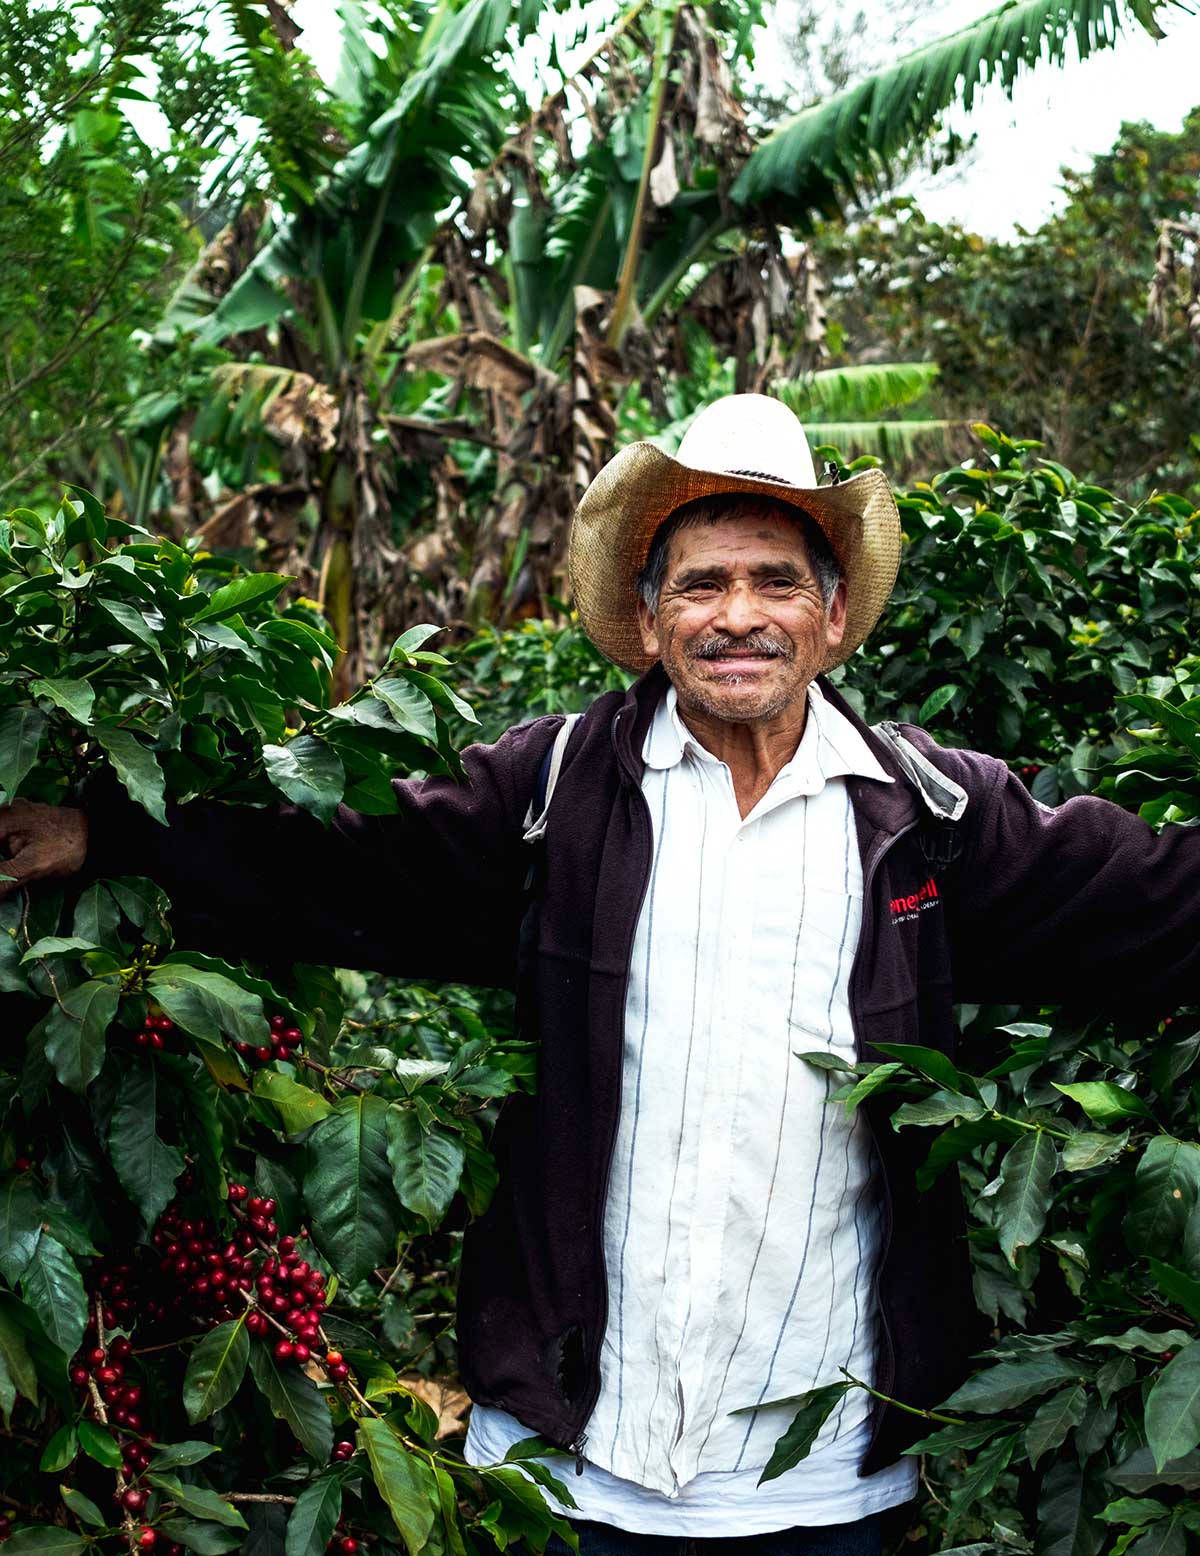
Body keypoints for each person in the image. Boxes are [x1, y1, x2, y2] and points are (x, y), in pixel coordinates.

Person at [4, 394, 1200, 1556]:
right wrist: (109, 833)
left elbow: (1146, 895)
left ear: (834, 618)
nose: (741, 615)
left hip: (823, 1469)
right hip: (574, 1458)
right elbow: (344, 857)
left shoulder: (930, 814)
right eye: (702, 583)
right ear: (647, 616)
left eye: (777, 581)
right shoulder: (557, 790)